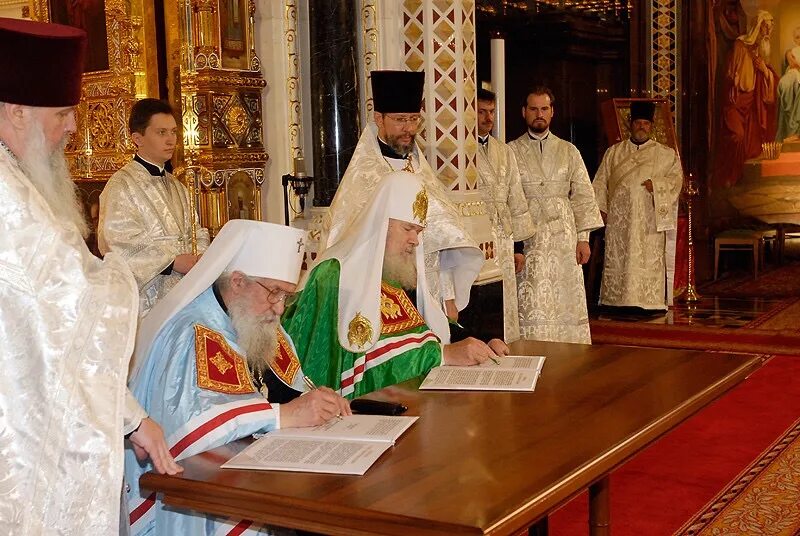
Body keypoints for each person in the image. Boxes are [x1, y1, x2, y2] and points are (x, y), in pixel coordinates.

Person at [0, 17, 179, 535]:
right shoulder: (11, 201)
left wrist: (131, 418)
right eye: (62, 113)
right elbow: (76, 316)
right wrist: (119, 269)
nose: (74, 127)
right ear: (16, 112)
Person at [126, 219, 351, 535]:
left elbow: (285, 389)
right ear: (237, 281)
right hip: (211, 496)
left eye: (286, 296)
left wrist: (316, 403)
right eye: (274, 292)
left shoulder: (260, 322)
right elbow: (187, 432)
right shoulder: (191, 333)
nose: (280, 308)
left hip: (270, 477)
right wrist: (283, 415)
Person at [283, 172, 508, 399]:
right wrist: (443, 355)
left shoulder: (394, 273)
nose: (415, 240)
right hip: (355, 409)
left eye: (418, 231)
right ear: (381, 223)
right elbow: (361, 357)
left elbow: (427, 327)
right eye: (408, 229)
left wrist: (481, 343)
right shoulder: (334, 273)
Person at [322, 70, 484, 322]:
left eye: (414, 119)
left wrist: (448, 297)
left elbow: (440, 244)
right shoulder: (363, 176)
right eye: (400, 120)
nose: (408, 128)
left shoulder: (422, 172)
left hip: (428, 293)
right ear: (379, 118)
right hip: (381, 296)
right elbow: (344, 243)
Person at [508, 86, 603, 344]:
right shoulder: (510, 151)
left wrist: (583, 238)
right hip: (528, 236)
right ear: (524, 112)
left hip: (564, 237)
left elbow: (583, 195)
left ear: (552, 112)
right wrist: (514, 245)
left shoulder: (569, 150)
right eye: (533, 109)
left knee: (564, 294)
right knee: (532, 294)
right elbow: (507, 199)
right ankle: (532, 346)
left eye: (544, 109)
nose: (539, 114)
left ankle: (570, 347)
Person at [99, 98, 210, 316]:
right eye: (161, 132)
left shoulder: (177, 186)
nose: (171, 140)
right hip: (148, 300)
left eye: (174, 132)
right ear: (137, 138)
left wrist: (200, 256)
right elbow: (118, 241)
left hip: (185, 294)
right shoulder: (121, 185)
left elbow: (196, 231)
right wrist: (172, 262)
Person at [592, 101, 683, 312]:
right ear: (630, 125)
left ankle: (648, 301)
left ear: (651, 126)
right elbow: (600, 183)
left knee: (646, 258)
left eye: (646, 123)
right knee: (620, 257)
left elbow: (676, 181)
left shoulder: (665, 154)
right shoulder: (613, 153)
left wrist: (657, 186)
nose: (642, 126)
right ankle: (616, 300)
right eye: (638, 123)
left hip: (648, 222)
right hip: (619, 223)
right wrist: (601, 210)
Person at [472, 87, 535, 342]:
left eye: (491, 112)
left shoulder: (504, 151)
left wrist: (518, 247)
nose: (488, 118)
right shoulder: (460, 153)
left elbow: (515, 197)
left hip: (504, 237)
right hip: (477, 234)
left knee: (505, 297)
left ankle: (504, 345)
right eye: (481, 112)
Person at [714, 10, 778, 187]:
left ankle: (738, 178)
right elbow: (730, 74)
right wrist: (733, 85)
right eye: (765, 28)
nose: (768, 33)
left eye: (770, 29)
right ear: (758, 27)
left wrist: (765, 71)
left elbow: (769, 82)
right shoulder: (740, 45)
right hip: (735, 103)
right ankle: (728, 175)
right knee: (737, 136)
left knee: (752, 147)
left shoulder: (760, 52)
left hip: (751, 109)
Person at [776, 26, 800, 142]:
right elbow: (792, 65)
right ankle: (791, 130)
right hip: (793, 74)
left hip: (797, 76)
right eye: (798, 37)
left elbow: (796, 64)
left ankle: (795, 131)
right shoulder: (792, 51)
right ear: (794, 39)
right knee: (785, 84)